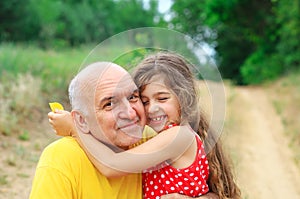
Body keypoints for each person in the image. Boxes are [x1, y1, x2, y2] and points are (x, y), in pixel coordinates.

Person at [50, 52, 241, 198]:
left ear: (184, 98)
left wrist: (75, 128)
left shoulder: (178, 137)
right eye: (144, 100)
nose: (152, 109)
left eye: (162, 98)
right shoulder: (160, 138)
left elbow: (112, 165)